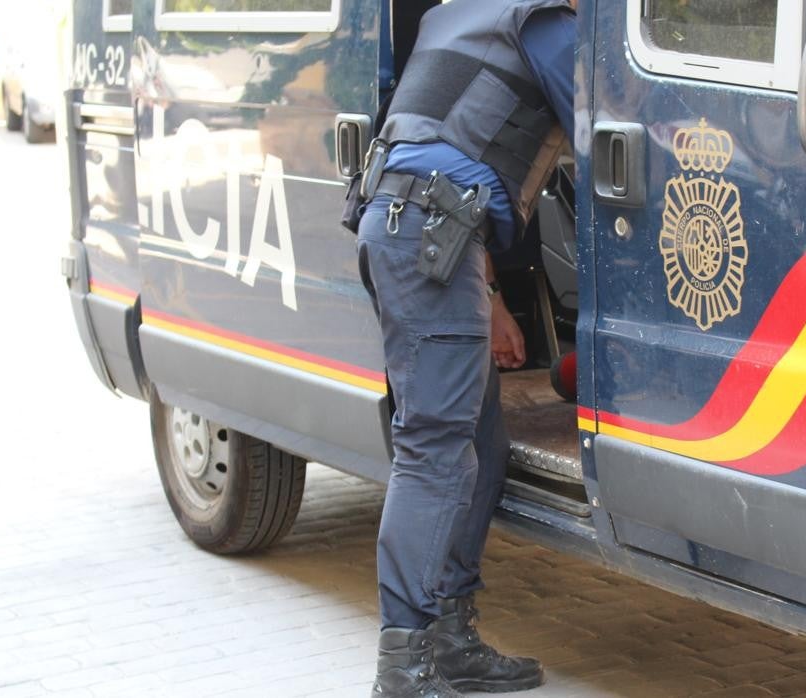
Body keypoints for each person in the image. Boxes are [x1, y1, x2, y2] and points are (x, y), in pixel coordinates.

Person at [352, 1, 576, 696]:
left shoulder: (462, 17)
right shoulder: (546, 24)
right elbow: (609, 133)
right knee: (435, 449)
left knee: (481, 439)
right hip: (430, 236)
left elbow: (454, 151)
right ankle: (405, 660)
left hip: (415, 228)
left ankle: (450, 634)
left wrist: (497, 305)